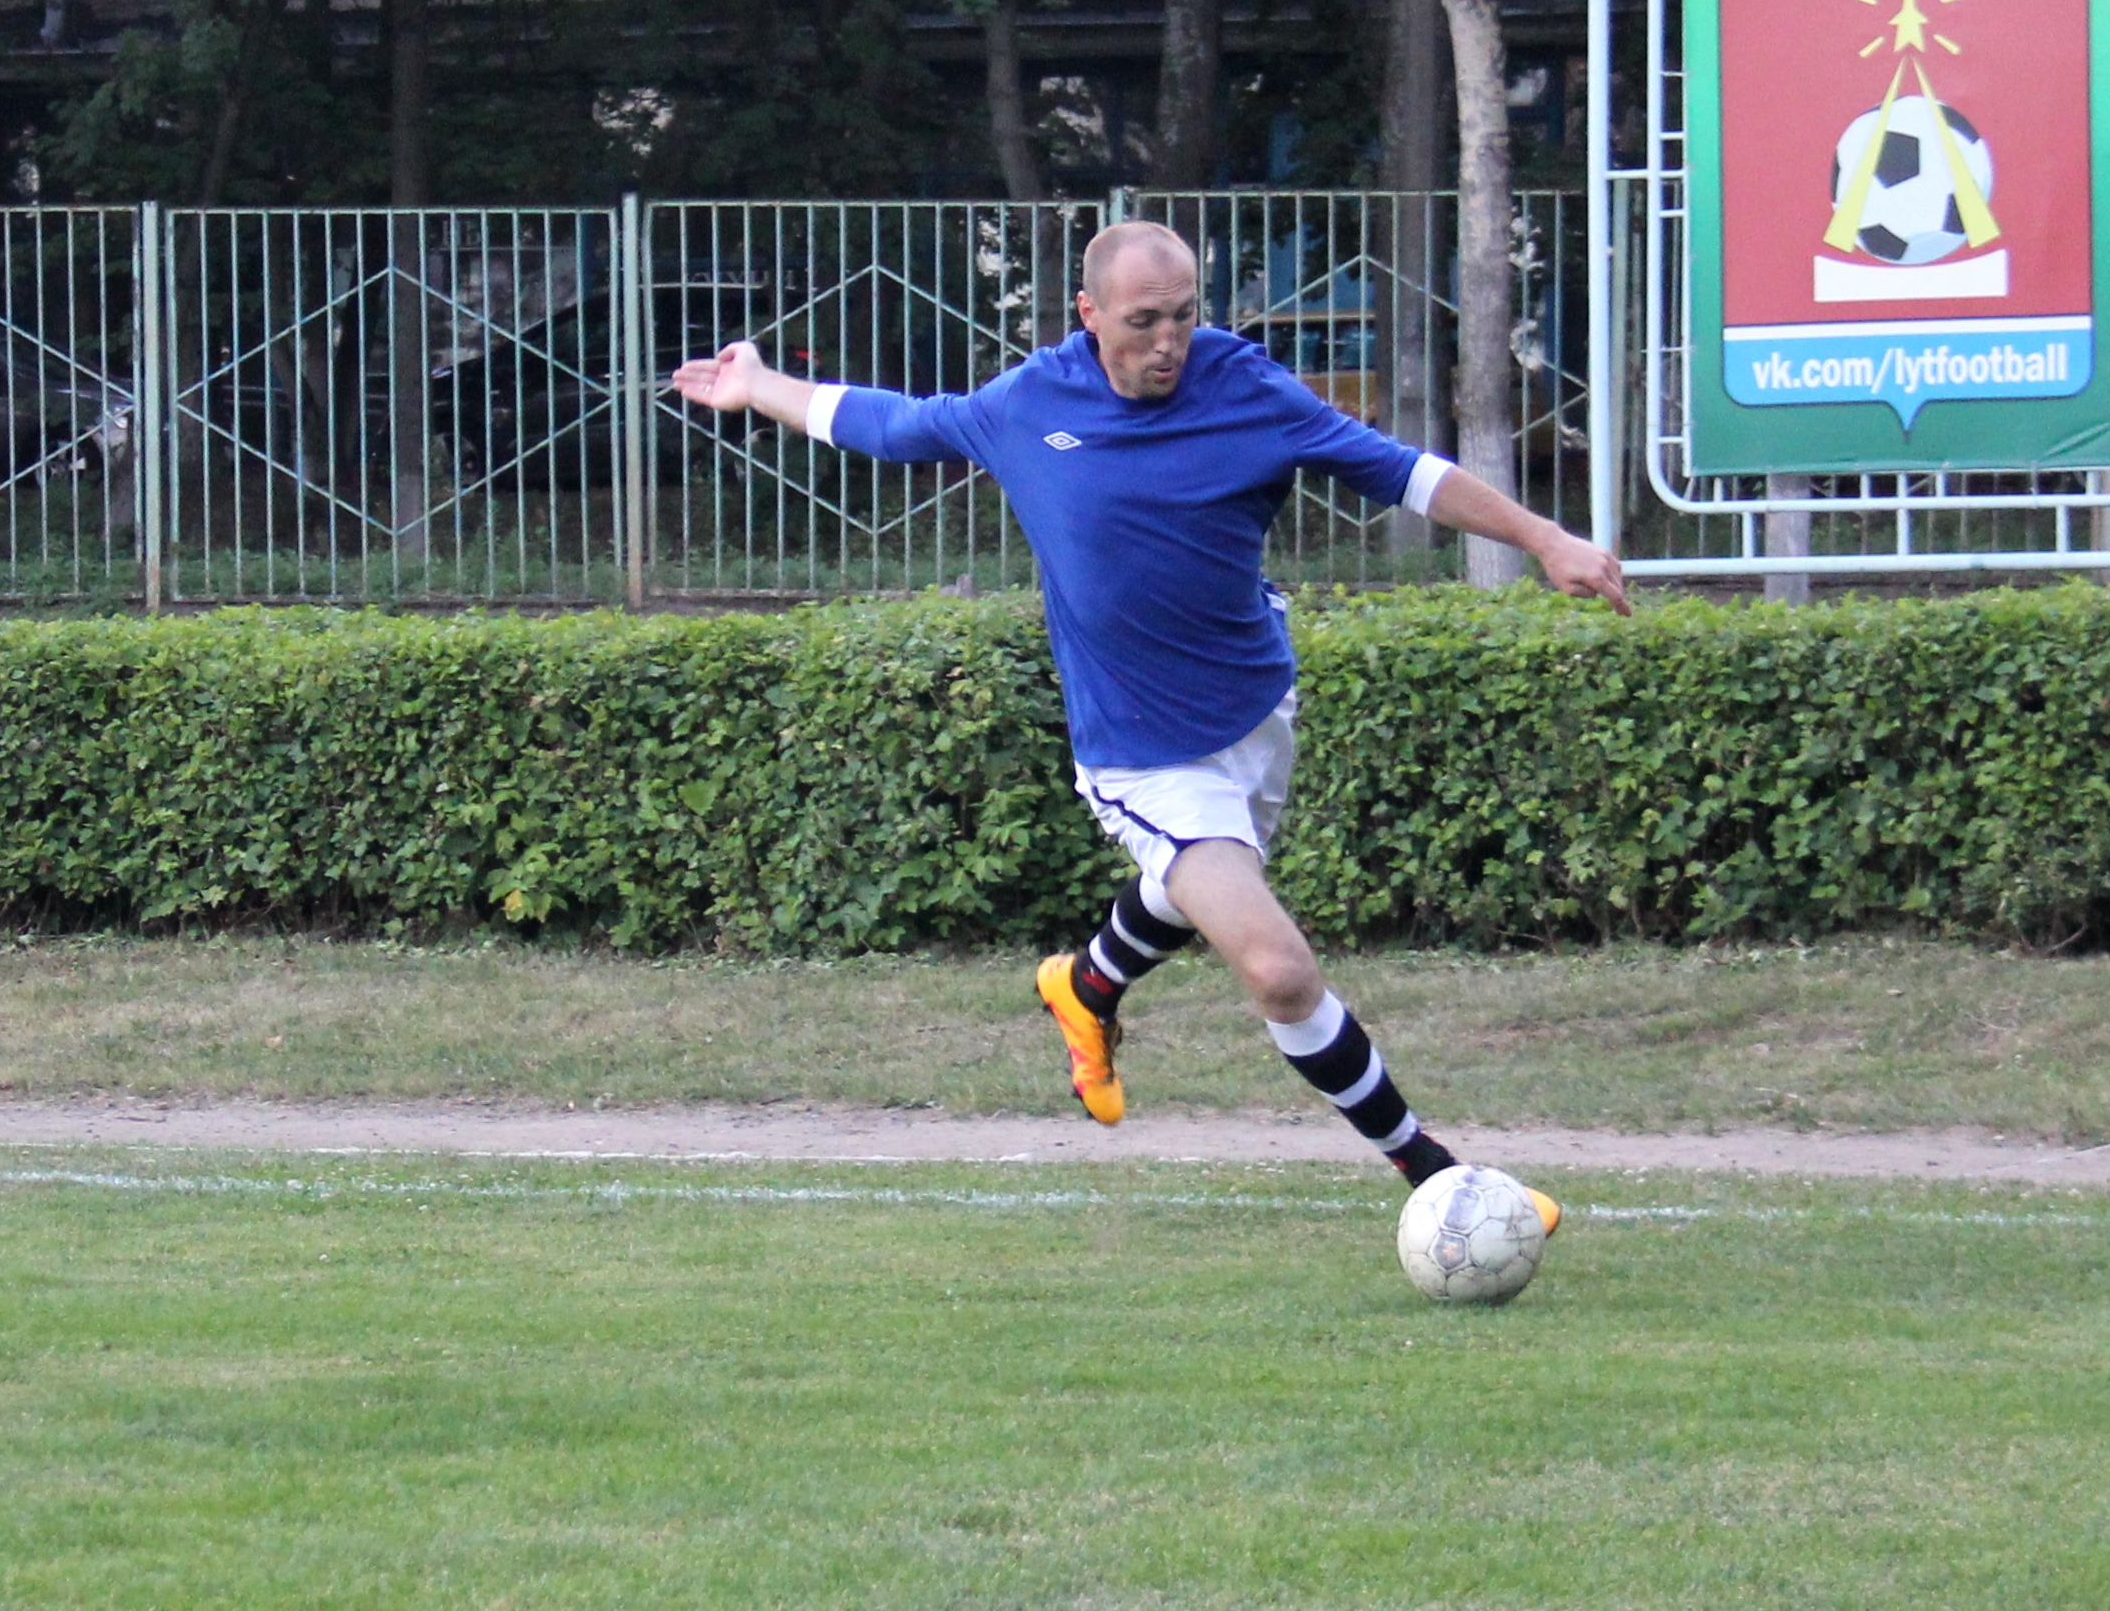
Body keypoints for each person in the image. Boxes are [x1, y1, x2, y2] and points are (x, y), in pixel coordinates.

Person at [672, 218, 1627, 1211]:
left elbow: (1402, 471)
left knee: (1194, 881)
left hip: (1256, 707)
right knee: (1276, 967)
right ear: (1088, 313)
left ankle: (1085, 986)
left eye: (1182, 316)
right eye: (1142, 322)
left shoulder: (1246, 387)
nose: (1167, 341)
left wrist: (1542, 536)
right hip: (1140, 754)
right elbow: (895, 424)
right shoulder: (1030, 403)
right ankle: (1438, 1173)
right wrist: (760, 385)